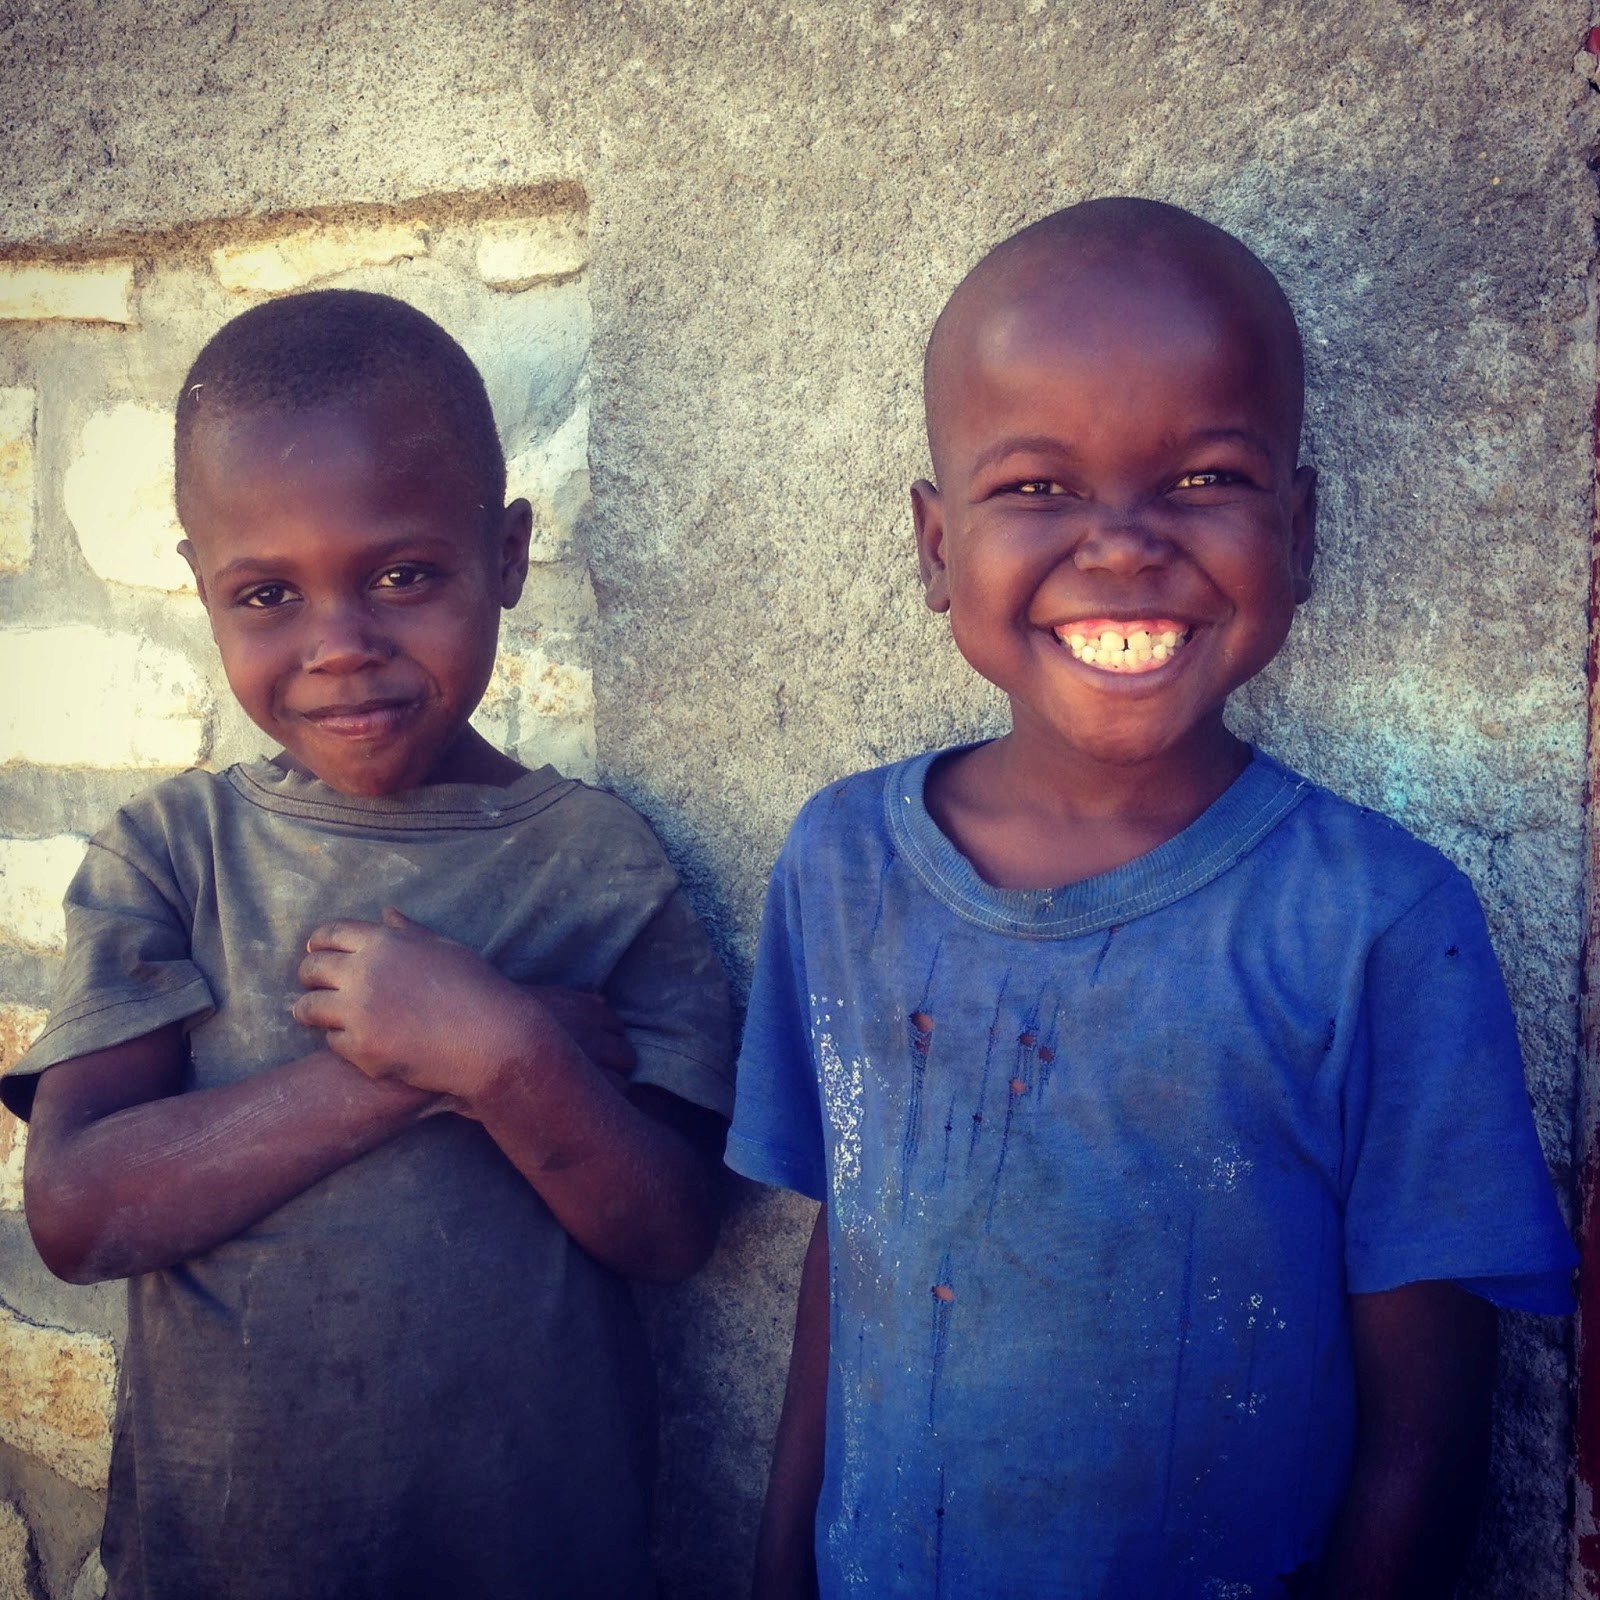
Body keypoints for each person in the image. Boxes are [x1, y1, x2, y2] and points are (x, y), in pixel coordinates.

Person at [725, 197, 1577, 1599]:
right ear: (937, 545)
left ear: (1296, 528)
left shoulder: (1379, 923)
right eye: (1038, 489)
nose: (1120, 545)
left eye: (1201, 480)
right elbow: (858, 1254)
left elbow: (1426, 1433)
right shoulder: (842, 868)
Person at [4, 289, 733, 1600]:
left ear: (504, 556)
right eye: (268, 593)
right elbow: (77, 1213)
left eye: (403, 575)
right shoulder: (172, 855)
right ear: (202, 592)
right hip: (224, 1563)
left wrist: (514, 1060)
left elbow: (674, 1229)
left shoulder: (597, 864)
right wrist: (398, 1072)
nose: (339, 644)